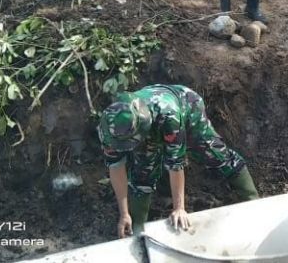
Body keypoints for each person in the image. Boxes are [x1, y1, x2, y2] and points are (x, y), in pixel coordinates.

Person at [98, 84, 259, 237]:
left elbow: (176, 164)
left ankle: (253, 200)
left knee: (214, 154)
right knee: (143, 173)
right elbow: (116, 167)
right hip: (144, 125)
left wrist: (179, 208)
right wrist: (124, 213)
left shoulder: (170, 117)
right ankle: (136, 230)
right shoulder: (110, 128)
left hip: (186, 107)